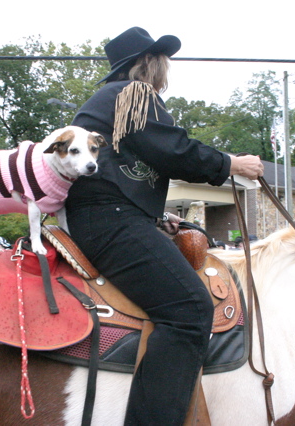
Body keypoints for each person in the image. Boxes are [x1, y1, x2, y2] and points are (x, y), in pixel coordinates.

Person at [65, 27, 264, 424]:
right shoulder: (134, 94)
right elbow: (175, 150)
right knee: (190, 309)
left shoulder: (113, 100)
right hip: (109, 219)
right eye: (163, 61)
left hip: (108, 214)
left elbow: (126, 172)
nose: (166, 70)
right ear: (150, 63)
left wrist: (158, 219)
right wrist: (231, 164)